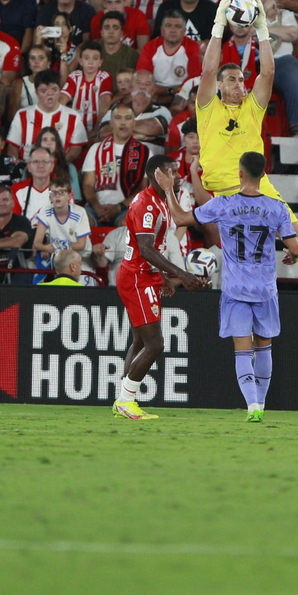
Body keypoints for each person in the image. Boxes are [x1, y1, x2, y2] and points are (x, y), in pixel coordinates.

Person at [195, 0, 298, 326]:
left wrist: (263, 27)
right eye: (232, 80)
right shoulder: (208, 106)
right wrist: (220, 23)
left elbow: (268, 72)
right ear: (219, 86)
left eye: (241, 79)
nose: (240, 84)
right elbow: (208, 68)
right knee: (244, 258)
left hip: (259, 186)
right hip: (225, 189)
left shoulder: (252, 107)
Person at [167, 150, 298, 421]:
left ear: (240, 173)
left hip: (236, 289)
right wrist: (291, 253)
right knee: (264, 347)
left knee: (243, 350)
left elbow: (180, 218)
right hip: (265, 288)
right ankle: (261, 404)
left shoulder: (224, 204)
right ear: (264, 174)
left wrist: (169, 190)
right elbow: (297, 247)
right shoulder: (276, 207)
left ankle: (252, 405)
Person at [111, 154, 206, 420]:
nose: (176, 176)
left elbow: (152, 248)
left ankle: (123, 400)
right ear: (156, 174)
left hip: (145, 275)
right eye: (171, 172)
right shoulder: (147, 204)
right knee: (156, 344)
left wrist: (163, 278)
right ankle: (126, 399)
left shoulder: (160, 200)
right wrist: (180, 275)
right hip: (137, 278)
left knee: (141, 341)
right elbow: (145, 248)